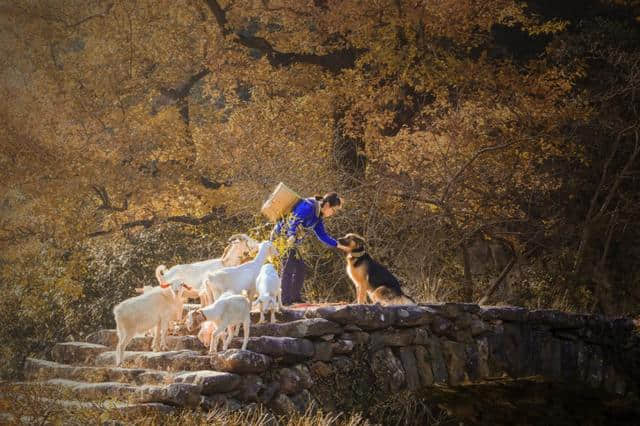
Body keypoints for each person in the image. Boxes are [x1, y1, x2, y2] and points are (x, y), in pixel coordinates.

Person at [271, 192, 344, 305]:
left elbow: (322, 235)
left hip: (292, 241)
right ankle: (285, 301)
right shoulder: (309, 206)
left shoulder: (318, 217)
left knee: (300, 268)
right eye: (333, 210)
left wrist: (337, 244)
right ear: (327, 205)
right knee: (288, 267)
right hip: (281, 237)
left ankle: (295, 298)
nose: (333, 213)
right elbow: (293, 220)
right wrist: (291, 234)